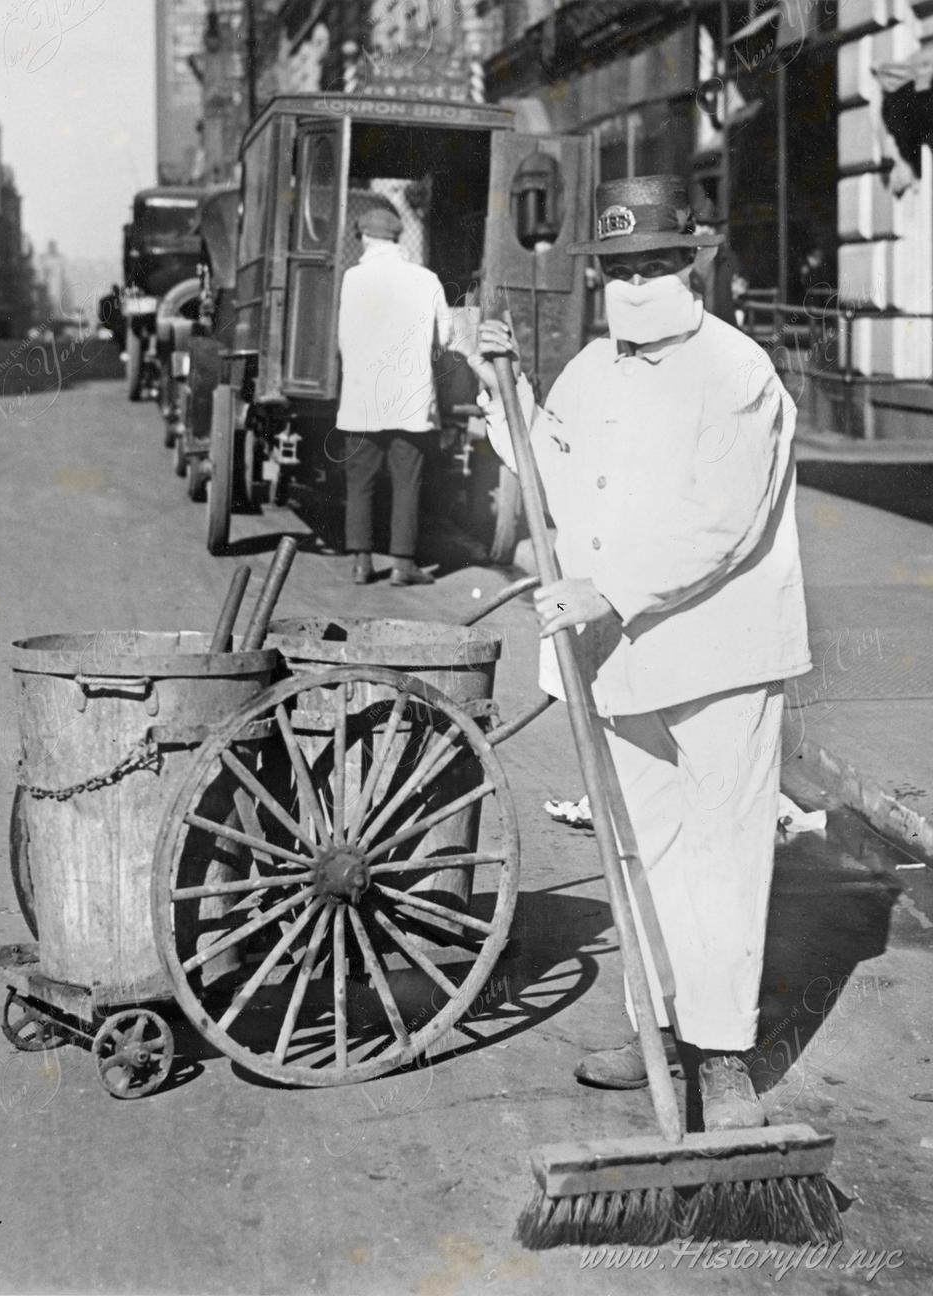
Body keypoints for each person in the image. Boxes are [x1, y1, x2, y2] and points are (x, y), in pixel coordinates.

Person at [470, 174, 812, 1132]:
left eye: (655, 262)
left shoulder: (737, 372)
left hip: (721, 655)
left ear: (689, 266)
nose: (637, 279)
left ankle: (725, 1054)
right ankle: (658, 1033)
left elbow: (724, 522)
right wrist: (504, 388)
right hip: (617, 656)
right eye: (619, 266)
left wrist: (609, 587)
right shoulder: (590, 369)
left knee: (724, 856)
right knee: (639, 852)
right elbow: (548, 467)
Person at [336, 204, 453, 586]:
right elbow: (447, 337)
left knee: (360, 480)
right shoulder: (426, 278)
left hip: (362, 398)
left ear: (365, 239)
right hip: (410, 398)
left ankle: (360, 562)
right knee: (407, 481)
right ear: (398, 238)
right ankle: (403, 566)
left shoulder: (353, 278)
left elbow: (343, 341)